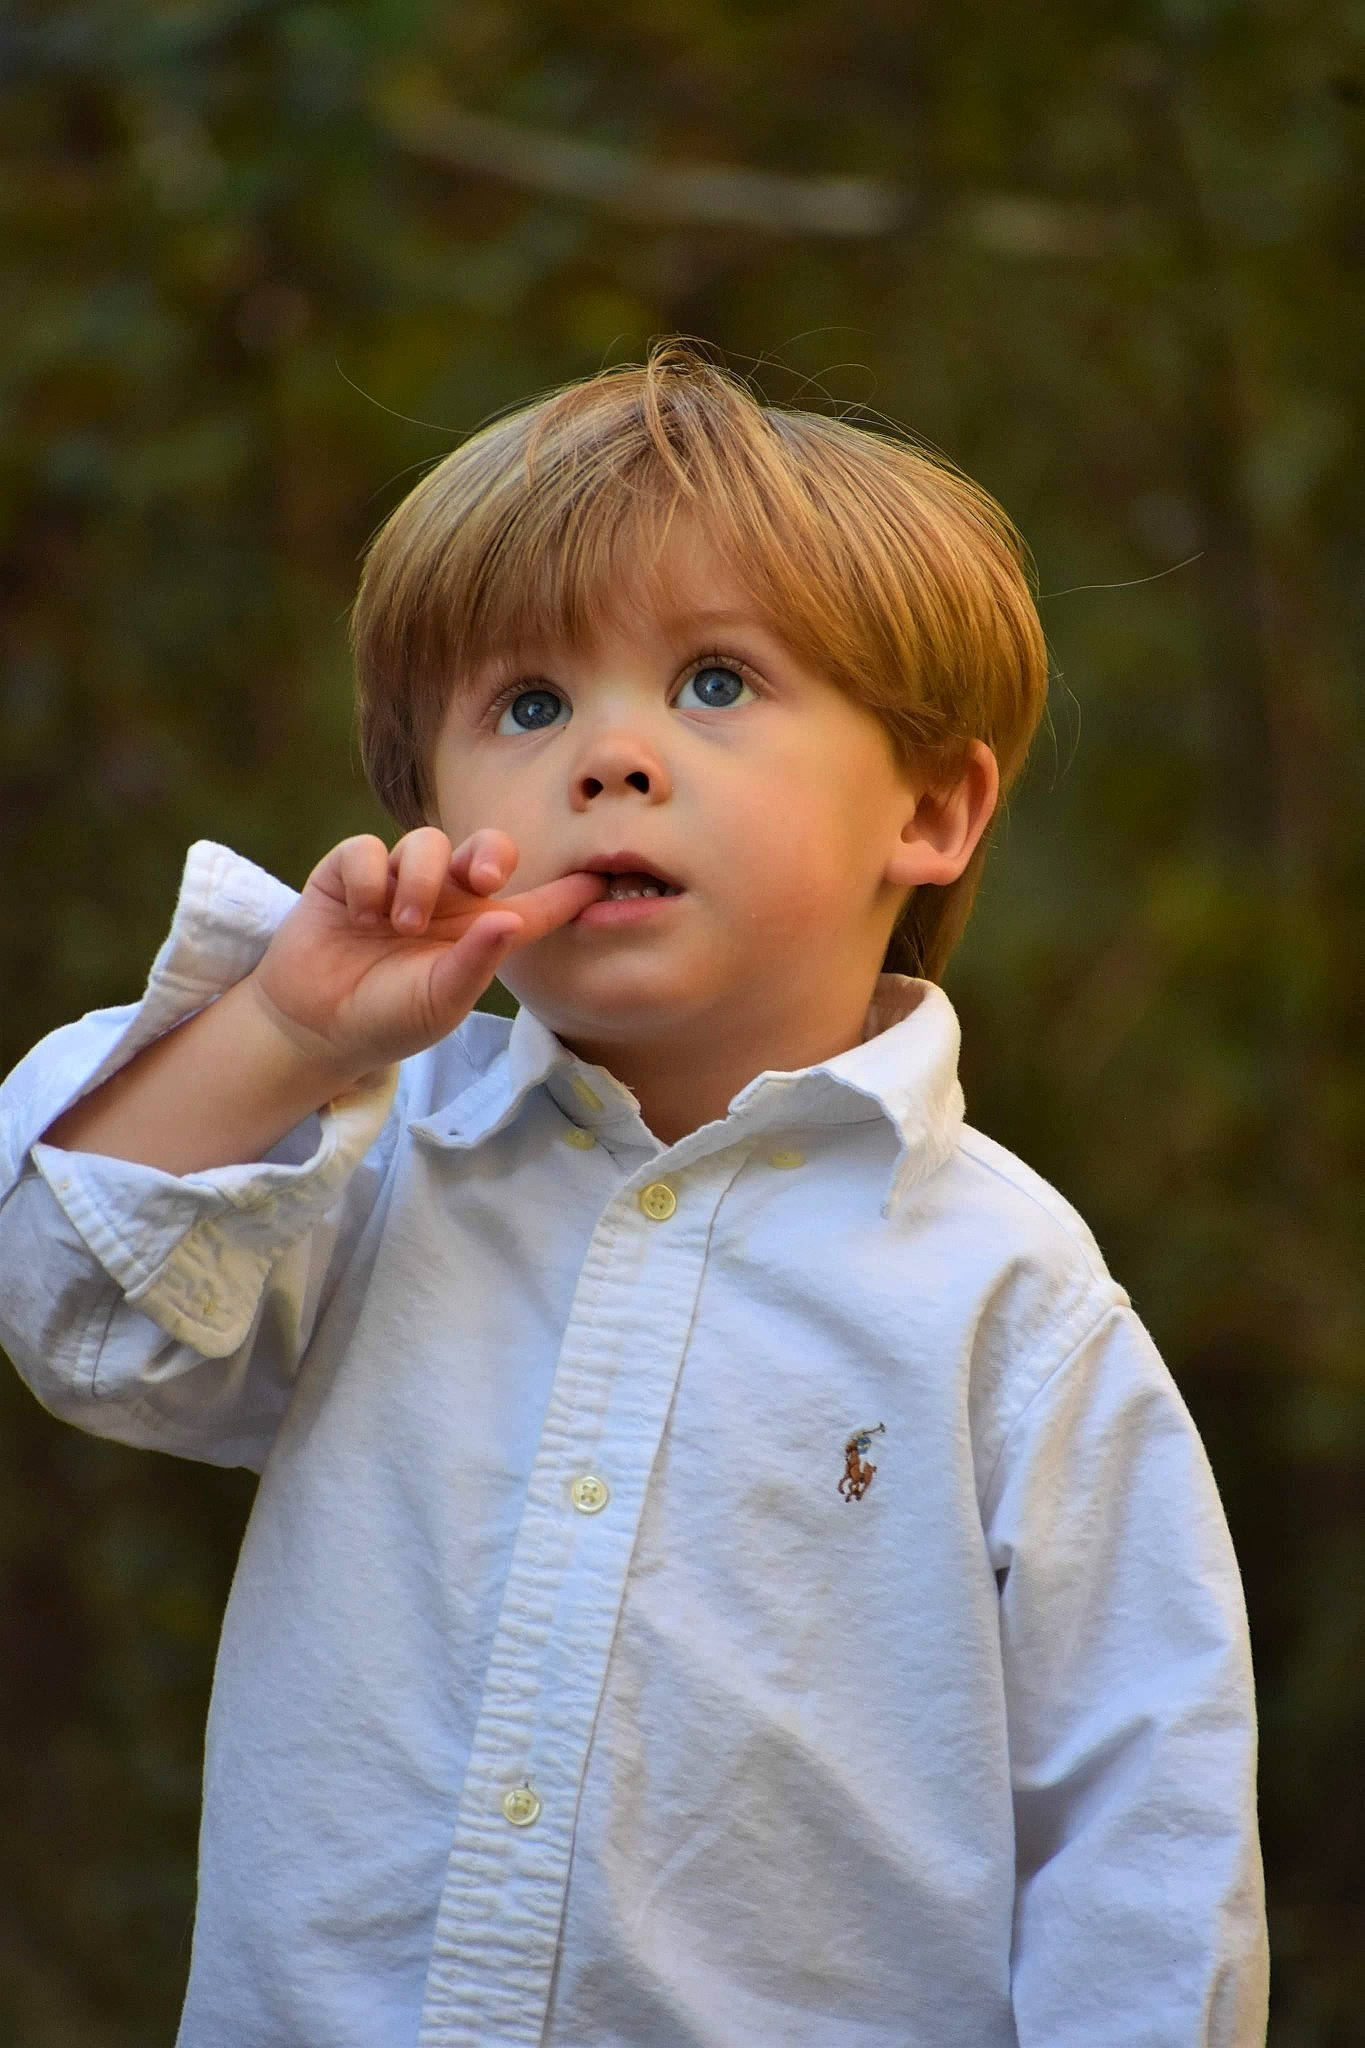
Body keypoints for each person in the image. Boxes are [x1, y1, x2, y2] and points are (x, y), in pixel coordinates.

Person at [0, 341, 1268, 2046]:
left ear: (935, 808)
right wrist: (289, 1026)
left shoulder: (1003, 1293)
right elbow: (77, 1309)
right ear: (436, 816)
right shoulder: (363, 1153)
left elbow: (1144, 1836)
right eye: (526, 708)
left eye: (717, 683)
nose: (608, 756)